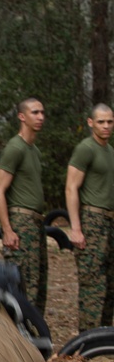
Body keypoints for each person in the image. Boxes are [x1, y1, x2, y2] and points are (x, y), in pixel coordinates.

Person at [0, 98, 48, 313]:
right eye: (35, 112)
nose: (40, 117)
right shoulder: (15, 148)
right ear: (22, 116)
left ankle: (34, 340)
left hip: (36, 222)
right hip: (21, 222)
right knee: (24, 285)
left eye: (42, 112)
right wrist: (7, 229)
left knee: (38, 284)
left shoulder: (33, 150)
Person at [65, 104, 114, 331]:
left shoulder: (110, 151)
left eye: (110, 121)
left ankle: (103, 336)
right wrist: (76, 227)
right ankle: (88, 337)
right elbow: (71, 187)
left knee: (109, 281)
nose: (106, 126)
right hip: (92, 219)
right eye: (101, 122)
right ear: (90, 123)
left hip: (109, 221)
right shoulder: (86, 148)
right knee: (92, 281)